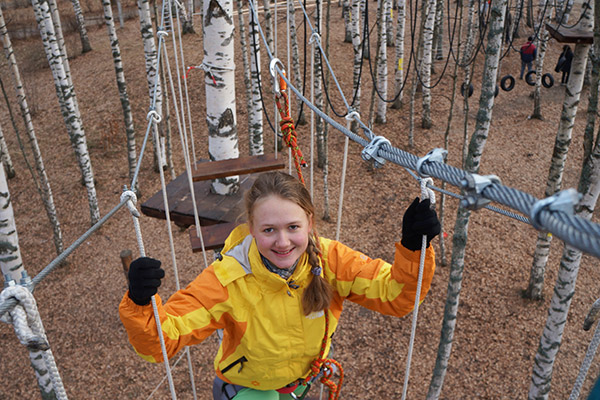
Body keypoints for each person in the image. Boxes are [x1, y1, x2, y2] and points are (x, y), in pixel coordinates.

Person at [119, 171, 440, 399]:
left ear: (310, 223)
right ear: (252, 229)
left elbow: (395, 297)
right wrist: (140, 302)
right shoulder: (229, 279)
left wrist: (414, 250)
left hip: (299, 384)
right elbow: (161, 342)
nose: (283, 242)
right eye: (269, 230)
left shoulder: (332, 261)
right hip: (246, 389)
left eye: (293, 227)